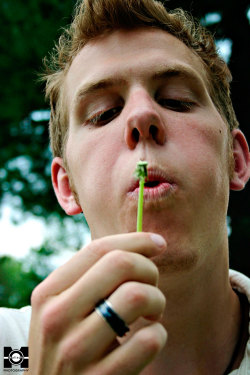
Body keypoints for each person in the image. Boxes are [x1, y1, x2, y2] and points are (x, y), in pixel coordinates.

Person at [1, 0, 250, 374]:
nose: (141, 115)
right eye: (103, 113)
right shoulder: (9, 349)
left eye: (176, 101)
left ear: (237, 160)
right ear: (66, 187)